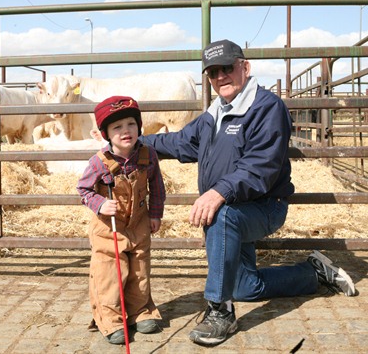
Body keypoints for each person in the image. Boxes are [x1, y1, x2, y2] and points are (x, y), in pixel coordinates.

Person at [140, 39, 356, 347]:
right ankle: (313, 273)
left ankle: (219, 311)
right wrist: (136, 143)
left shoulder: (267, 108)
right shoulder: (214, 114)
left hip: (265, 206)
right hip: (235, 208)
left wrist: (218, 192)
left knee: (220, 215)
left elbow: (261, 167)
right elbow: (179, 142)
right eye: (213, 72)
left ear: (245, 67)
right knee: (244, 287)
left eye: (227, 68)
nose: (220, 77)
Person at [77, 95, 166, 345]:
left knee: (139, 269)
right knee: (111, 273)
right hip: (109, 229)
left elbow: (157, 188)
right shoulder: (99, 162)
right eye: (117, 127)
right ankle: (111, 320)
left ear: (139, 126)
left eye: (130, 124)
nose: (125, 131)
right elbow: (83, 190)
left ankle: (141, 312)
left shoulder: (149, 156)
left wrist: (156, 214)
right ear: (106, 133)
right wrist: (101, 204)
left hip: (138, 222)